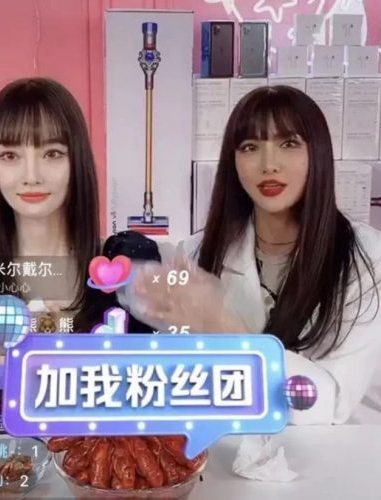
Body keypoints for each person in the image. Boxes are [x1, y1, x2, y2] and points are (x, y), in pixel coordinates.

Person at [117, 85, 381, 425]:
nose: (269, 165)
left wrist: (223, 327)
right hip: (227, 443)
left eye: (288, 144)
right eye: (250, 147)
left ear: (316, 153)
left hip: (335, 448)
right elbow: (185, 380)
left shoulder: (364, 255)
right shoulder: (197, 253)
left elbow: (327, 402)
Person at [0, 77, 157, 431]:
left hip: (96, 464)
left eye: (52, 153)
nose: (31, 176)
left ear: (77, 161)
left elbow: (152, 399)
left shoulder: (123, 263)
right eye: (10, 155)